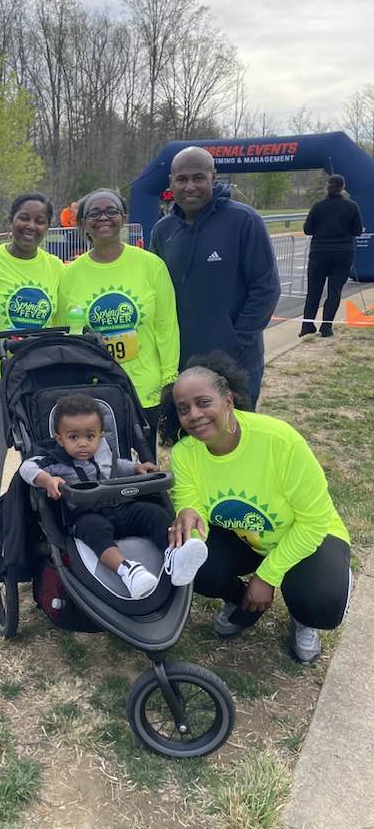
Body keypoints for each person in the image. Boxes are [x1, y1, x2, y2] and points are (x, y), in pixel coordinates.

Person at [160, 353, 352, 664]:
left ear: (229, 401)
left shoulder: (279, 440)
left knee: (321, 601)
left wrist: (266, 577)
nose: (194, 415)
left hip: (309, 537)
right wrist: (186, 514)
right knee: (192, 557)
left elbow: (314, 522)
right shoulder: (186, 453)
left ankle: (303, 618)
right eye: (184, 409)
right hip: (249, 538)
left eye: (203, 402)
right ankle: (241, 601)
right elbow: (190, 499)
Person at [19, 394, 208, 598]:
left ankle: (175, 555)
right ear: (59, 438)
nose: (83, 443)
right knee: (95, 530)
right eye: (73, 437)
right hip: (84, 514)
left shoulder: (103, 449)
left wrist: (136, 468)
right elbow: (26, 467)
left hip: (119, 505)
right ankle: (128, 570)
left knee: (154, 514)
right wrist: (47, 480)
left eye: (90, 436)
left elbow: (116, 466)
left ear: (100, 435)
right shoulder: (53, 457)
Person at [0, 192, 63, 556]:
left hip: (34, 376)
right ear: (10, 220)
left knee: (36, 453)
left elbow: (59, 324)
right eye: (24, 218)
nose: (31, 226)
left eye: (40, 221)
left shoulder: (55, 268)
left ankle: (35, 521)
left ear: (48, 227)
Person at [150, 147, 280, 409]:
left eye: (198, 178)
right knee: (190, 440)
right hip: (182, 362)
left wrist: (235, 344)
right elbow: (153, 292)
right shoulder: (163, 231)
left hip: (236, 362)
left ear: (213, 178)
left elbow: (265, 289)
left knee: (236, 437)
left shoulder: (244, 220)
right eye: (182, 179)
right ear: (171, 183)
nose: (190, 186)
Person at [55, 189, 179, 453]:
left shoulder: (151, 265)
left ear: (123, 218)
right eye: (94, 213)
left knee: (145, 465)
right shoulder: (69, 275)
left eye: (111, 211)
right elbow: (67, 335)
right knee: (101, 466)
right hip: (95, 386)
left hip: (146, 387)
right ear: (83, 223)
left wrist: (170, 379)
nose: (104, 218)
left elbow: (166, 326)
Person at [299, 174, 363, 338]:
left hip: (319, 253)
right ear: (343, 187)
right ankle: (326, 327)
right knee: (334, 291)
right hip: (342, 253)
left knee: (314, 290)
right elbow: (357, 231)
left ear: (328, 186)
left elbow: (308, 230)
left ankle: (307, 325)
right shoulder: (352, 206)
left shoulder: (318, 206)